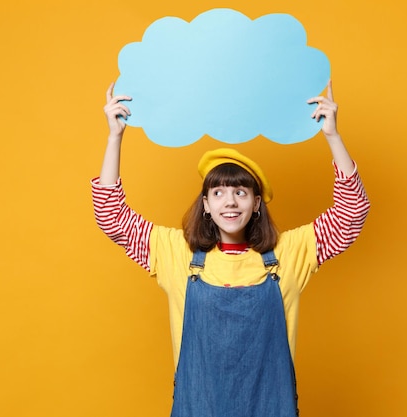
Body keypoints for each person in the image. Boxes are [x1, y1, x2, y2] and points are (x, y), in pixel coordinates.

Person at [92, 81, 370, 417]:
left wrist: (333, 137)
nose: (230, 202)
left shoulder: (290, 252)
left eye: (241, 192)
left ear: (256, 204)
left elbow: (352, 213)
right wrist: (115, 137)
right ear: (206, 204)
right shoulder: (175, 252)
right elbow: (111, 216)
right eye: (219, 193)